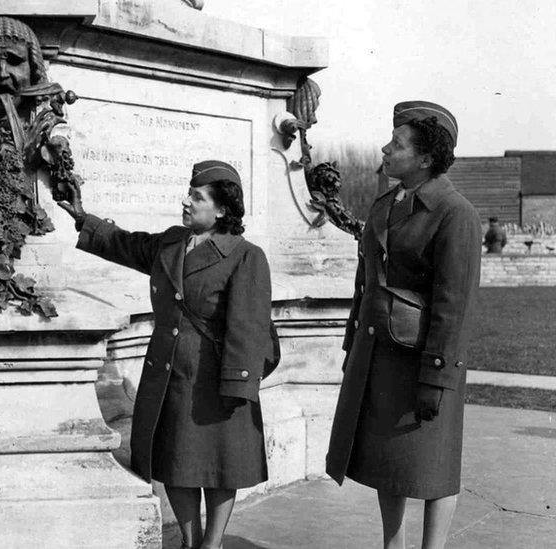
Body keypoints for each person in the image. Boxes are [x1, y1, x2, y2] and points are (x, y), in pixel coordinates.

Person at [59, 160, 277, 549]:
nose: (187, 202)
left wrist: (239, 387)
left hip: (216, 379)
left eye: (197, 197)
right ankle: (191, 543)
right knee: (176, 465)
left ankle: (212, 544)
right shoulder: (172, 242)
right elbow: (127, 244)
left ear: (222, 209)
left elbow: (249, 327)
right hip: (171, 376)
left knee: (219, 466)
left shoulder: (245, 256)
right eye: (189, 195)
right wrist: (81, 217)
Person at [326, 102, 481, 549]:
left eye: (397, 144)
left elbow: (455, 306)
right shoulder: (385, 205)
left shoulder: (455, 213)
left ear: (426, 157)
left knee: (434, 466)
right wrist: (352, 348)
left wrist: (437, 375)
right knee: (387, 462)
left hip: (428, 360)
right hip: (380, 356)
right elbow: (366, 283)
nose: (385, 149)